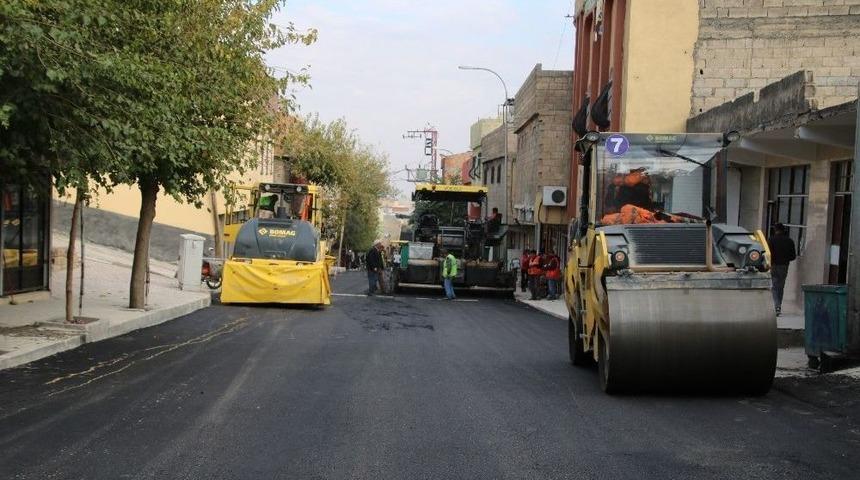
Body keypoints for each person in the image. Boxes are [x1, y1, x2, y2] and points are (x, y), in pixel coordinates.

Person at [769, 223, 797, 316]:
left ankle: (776, 306)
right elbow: (793, 256)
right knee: (780, 287)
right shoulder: (789, 241)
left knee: (774, 285)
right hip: (784, 266)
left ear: (775, 229)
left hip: (773, 265)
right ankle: (778, 306)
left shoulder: (771, 239)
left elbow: (768, 254)